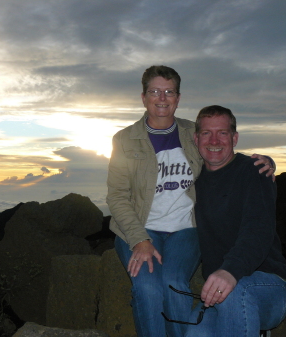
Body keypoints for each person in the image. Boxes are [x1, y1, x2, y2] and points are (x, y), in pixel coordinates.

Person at [106, 66, 275, 337]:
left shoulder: (190, 132)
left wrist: (265, 163)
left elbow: (220, 150)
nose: (162, 97)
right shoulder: (125, 140)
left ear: (178, 97)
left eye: (169, 91)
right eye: (155, 91)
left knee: (174, 283)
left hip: (186, 229)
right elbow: (116, 195)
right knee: (147, 288)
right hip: (139, 228)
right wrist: (139, 239)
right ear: (143, 96)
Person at [183, 105, 286, 337]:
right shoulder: (193, 180)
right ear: (196, 138)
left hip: (267, 285)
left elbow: (258, 230)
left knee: (236, 293)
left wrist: (230, 271)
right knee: (195, 333)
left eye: (222, 133)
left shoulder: (254, 172)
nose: (214, 140)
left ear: (234, 138)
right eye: (206, 133)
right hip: (219, 291)